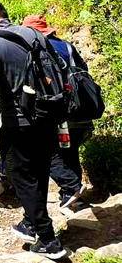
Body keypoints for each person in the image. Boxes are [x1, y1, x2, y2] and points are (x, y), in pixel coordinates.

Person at [0, 2, 65, 259]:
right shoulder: (33, 34)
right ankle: (29, 222)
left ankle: (48, 240)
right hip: (48, 115)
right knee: (40, 171)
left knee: (20, 174)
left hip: (18, 121)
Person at [22, 14, 93, 213]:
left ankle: (71, 187)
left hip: (58, 109)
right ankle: (72, 198)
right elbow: (83, 70)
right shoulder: (68, 46)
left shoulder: (39, 49)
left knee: (47, 150)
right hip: (79, 108)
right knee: (70, 151)